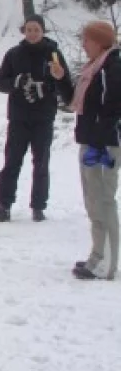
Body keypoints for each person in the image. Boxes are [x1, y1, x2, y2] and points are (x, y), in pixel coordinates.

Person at [0, 15, 74, 223]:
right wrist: (17, 81)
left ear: (43, 31)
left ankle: (38, 206)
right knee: (12, 161)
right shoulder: (14, 54)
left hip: (43, 116)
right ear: (24, 31)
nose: (32, 33)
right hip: (19, 117)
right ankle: (4, 205)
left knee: (41, 162)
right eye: (29, 29)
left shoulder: (53, 54)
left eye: (36, 29)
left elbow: (67, 89)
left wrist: (54, 81)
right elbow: (0, 83)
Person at [69, 21, 121, 281]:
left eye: (87, 39)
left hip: (104, 144)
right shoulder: (95, 67)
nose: (83, 44)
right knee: (93, 201)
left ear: (100, 41)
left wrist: (100, 142)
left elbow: (112, 108)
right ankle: (98, 253)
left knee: (103, 200)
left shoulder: (111, 68)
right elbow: (80, 102)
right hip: (91, 140)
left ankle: (106, 262)